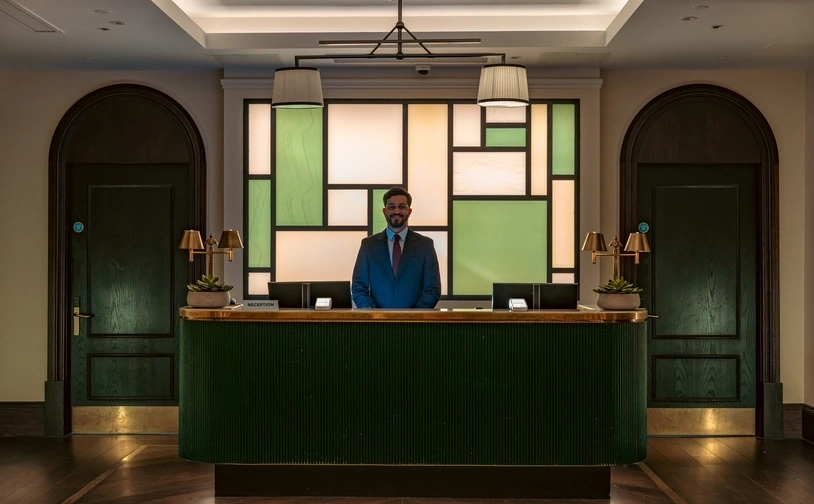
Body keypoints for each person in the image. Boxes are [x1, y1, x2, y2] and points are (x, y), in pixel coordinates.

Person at [352, 186, 441, 309]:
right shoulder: (368, 246)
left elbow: (433, 289)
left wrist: (414, 317)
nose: (396, 211)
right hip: (376, 323)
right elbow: (359, 287)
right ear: (385, 211)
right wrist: (374, 315)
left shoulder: (425, 245)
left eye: (402, 206)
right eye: (392, 207)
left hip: (415, 324)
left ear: (409, 211)